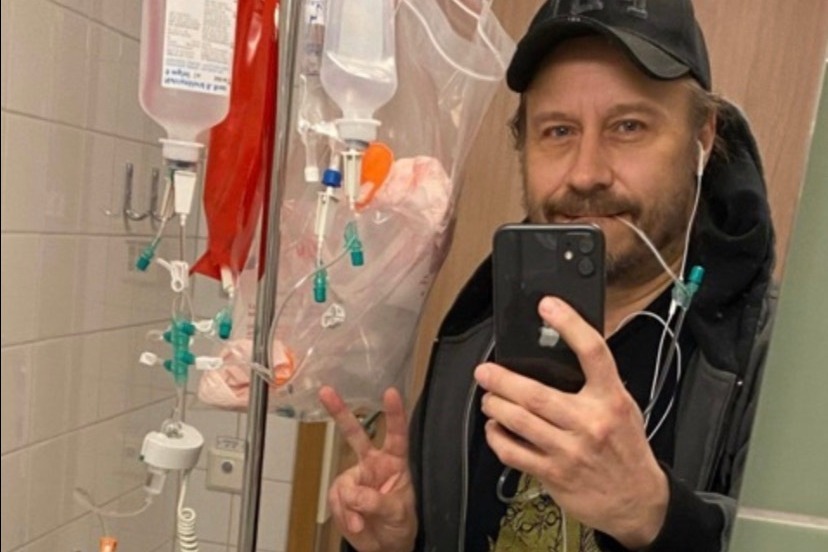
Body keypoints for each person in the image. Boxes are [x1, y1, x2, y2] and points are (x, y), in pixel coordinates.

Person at [319, 0, 776, 550]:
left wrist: (657, 516)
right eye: (558, 131)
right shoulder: (478, 335)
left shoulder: (774, 360)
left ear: (702, 138)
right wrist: (402, 541)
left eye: (628, 126)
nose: (586, 173)